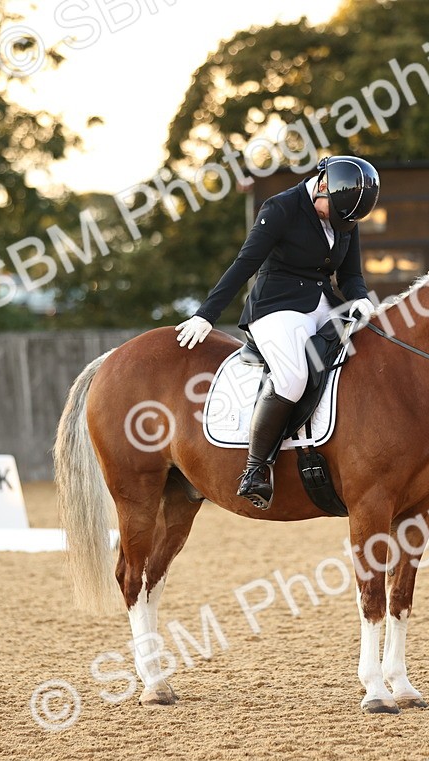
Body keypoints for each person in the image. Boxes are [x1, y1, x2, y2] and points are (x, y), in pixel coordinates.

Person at [174, 155, 381, 509]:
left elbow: (350, 275)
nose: (339, 224)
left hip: (323, 303)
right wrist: (206, 314)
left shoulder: (345, 215)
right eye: (333, 213)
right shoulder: (281, 208)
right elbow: (245, 263)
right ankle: (256, 468)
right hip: (277, 305)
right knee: (292, 375)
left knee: (370, 351)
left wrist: (360, 298)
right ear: (321, 186)